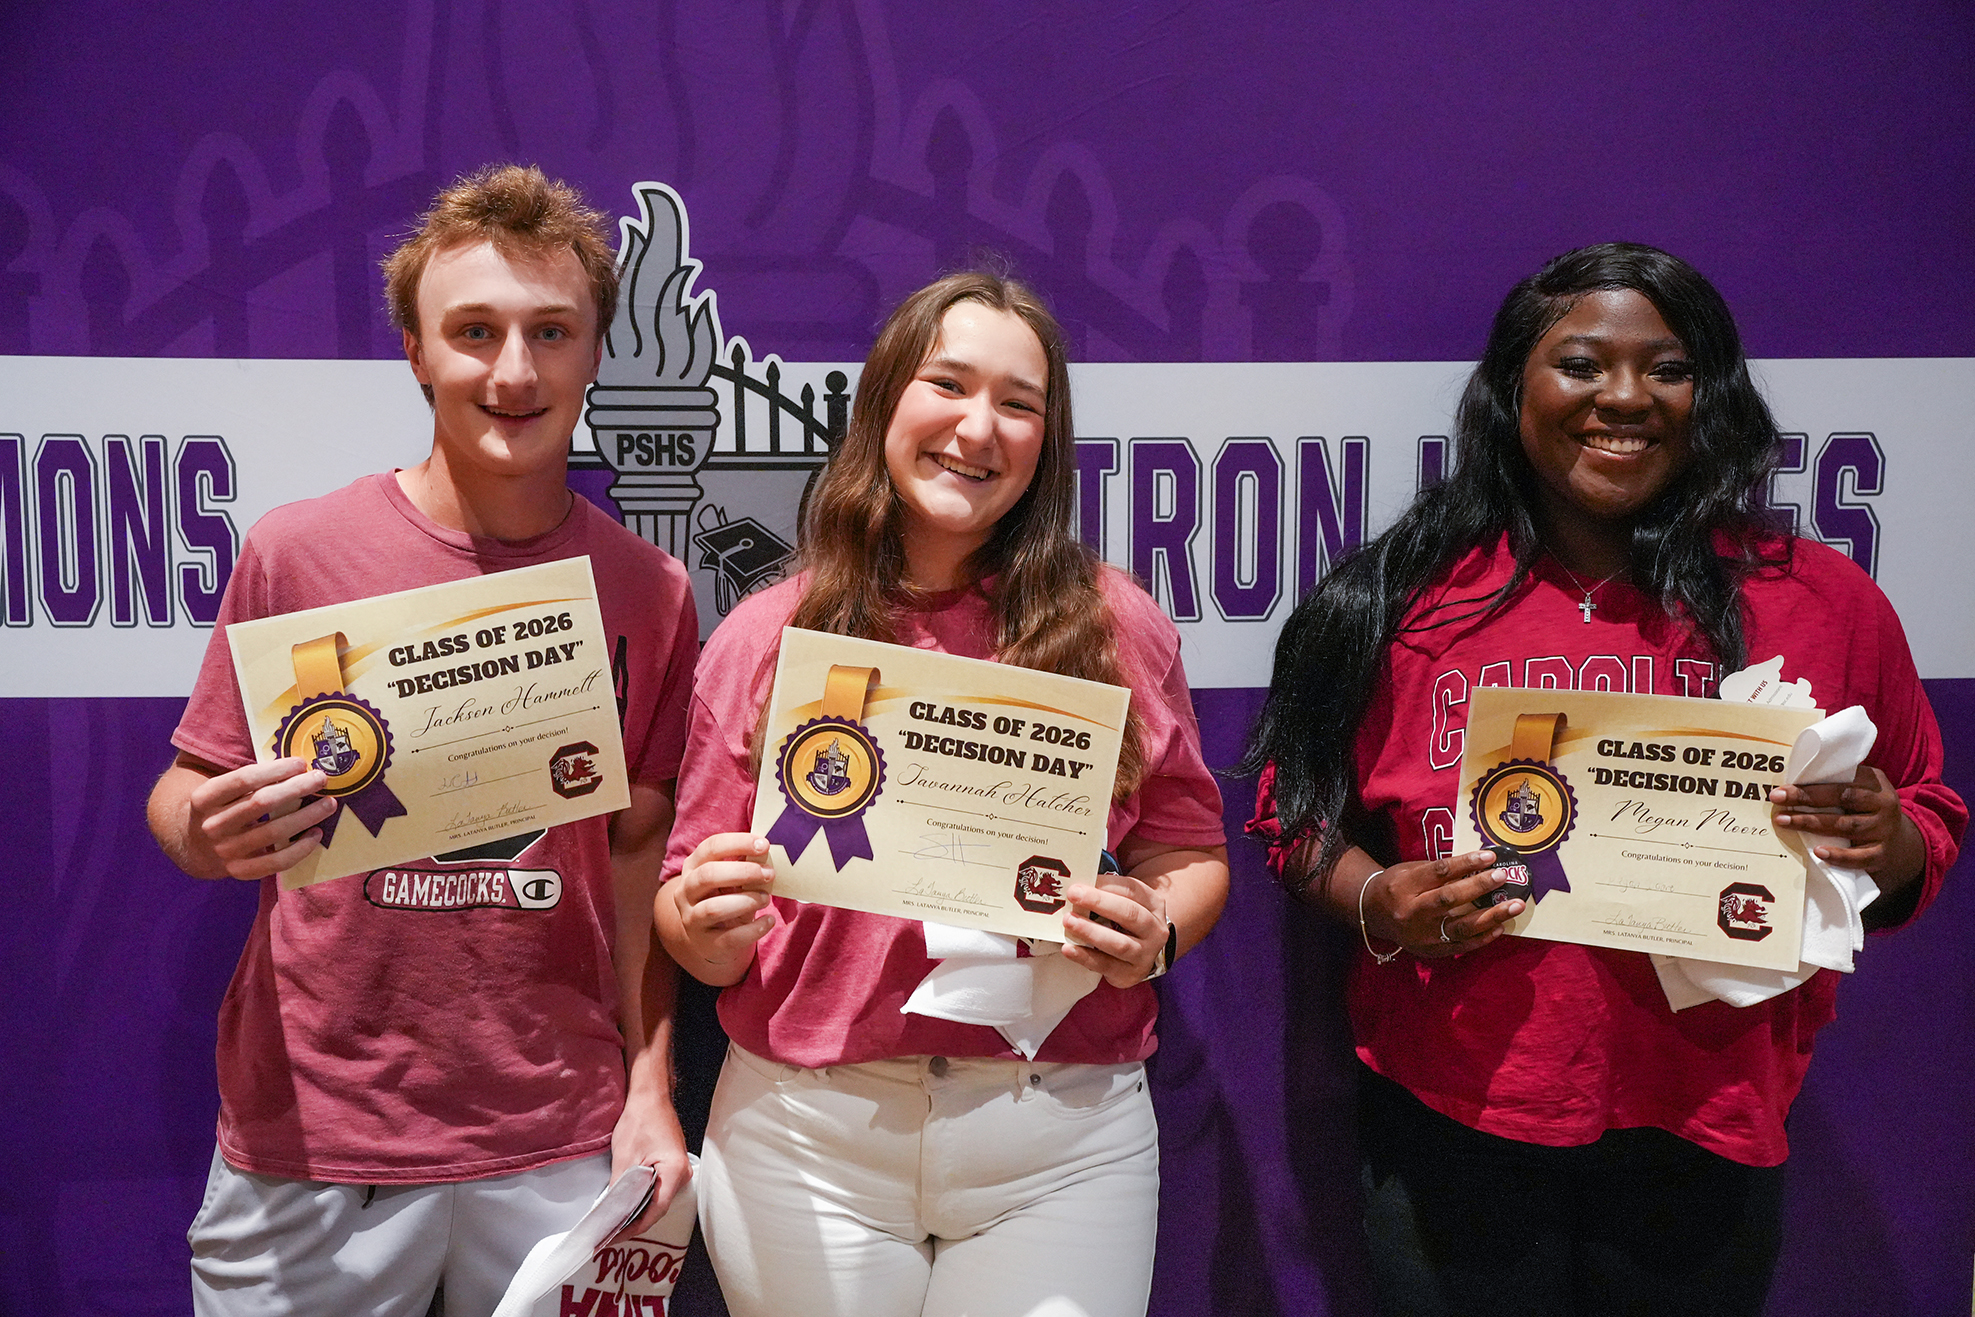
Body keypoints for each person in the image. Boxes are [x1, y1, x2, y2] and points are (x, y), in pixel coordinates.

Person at [1242, 242, 1964, 1316]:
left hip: (1708, 1117)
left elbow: (1926, 811)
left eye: (1666, 369)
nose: (1623, 397)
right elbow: (1288, 813)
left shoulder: (1821, 600)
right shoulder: (1391, 597)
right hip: (1454, 1113)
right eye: (1580, 364)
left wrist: (1885, 837)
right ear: (1510, 389)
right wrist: (1374, 899)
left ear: (1709, 393)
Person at [145, 165, 698, 1316]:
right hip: (316, 1134)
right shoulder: (299, 554)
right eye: (475, 331)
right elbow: (186, 792)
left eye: (551, 332)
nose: (513, 370)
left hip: (558, 1133)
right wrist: (210, 829)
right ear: (414, 352)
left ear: (596, 352)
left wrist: (651, 1086)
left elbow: (640, 852)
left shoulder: (647, 590)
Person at [657, 271, 1230, 1317]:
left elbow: (1188, 850)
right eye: (948, 385)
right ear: (883, 404)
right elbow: (687, 904)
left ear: (1046, 442)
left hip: (1058, 1131)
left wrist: (1154, 932)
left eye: (1018, 403)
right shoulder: (763, 638)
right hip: (806, 1131)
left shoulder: (1117, 628)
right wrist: (699, 923)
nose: (979, 427)